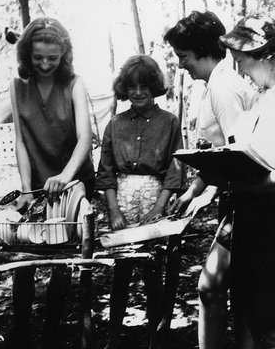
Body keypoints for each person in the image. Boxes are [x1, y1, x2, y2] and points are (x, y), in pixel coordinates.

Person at [199, 14, 275, 349]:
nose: (240, 70)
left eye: (241, 61)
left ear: (265, 56)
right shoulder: (266, 96)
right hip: (254, 215)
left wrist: (238, 184)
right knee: (249, 313)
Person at [164, 10, 254, 349]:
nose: (181, 64)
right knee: (229, 288)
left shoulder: (224, 87)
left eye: (183, 56)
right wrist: (193, 193)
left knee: (215, 286)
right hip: (234, 198)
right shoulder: (214, 83)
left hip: (247, 201)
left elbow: (238, 154)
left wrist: (203, 187)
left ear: (201, 50)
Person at [8, 17, 95, 349]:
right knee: (25, 256)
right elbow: (20, 140)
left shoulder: (74, 83)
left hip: (72, 179)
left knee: (61, 256)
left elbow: (85, 139)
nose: (45, 64)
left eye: (53, 58)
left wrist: (65, 177)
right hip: (37, 180)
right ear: (27, 54)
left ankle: (52, 329)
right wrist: (26, 189)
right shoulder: (18, 85)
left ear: (64, 55)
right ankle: (20, 328)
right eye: (38, 57)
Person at [95, 54, 185, 349]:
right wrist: (114, 210)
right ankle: (113, 335)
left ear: (154, 86)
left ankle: (155, 336)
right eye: (131, 87)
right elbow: (105, 171)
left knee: (152, 267)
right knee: (121, 267)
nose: (137, 93)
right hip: (122, 198)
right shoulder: (115, 124)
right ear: (124, 88)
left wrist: (159, 208)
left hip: (154, 197)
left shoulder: (169, 122)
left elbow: (175, 169)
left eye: (144, 86)